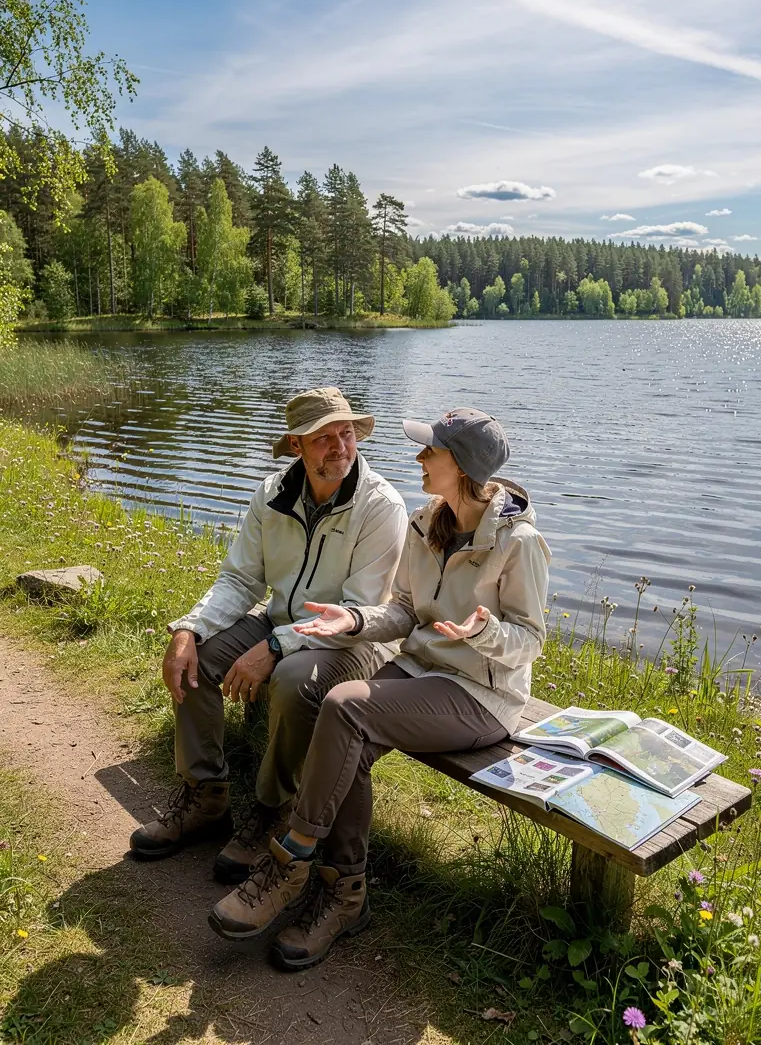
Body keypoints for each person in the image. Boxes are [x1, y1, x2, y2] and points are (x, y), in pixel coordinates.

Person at [207, 407, 551, 971]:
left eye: (431, 451)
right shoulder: (426, 523)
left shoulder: (519, 542)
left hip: (482, 695)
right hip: (421, 672)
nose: (419, 458)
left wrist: (483, 632)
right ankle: (345, 896)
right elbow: (405, 611)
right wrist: (354, 620)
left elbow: (531, 641)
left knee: (345, 706)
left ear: (463, 466)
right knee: (347, 733)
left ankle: (290, 861)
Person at [129, 386, 408, 883]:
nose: (340, 447)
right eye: (324, 438)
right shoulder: (272, 494)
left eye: (347, 434)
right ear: (296, 445)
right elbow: (240, 580)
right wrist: (188, 629)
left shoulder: (381, 506)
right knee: (199, 658)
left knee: (294, 680)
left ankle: (272, 809)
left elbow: (357, 609)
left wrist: (278, 646)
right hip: (282, 621)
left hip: (357, 639)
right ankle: (205, 797)